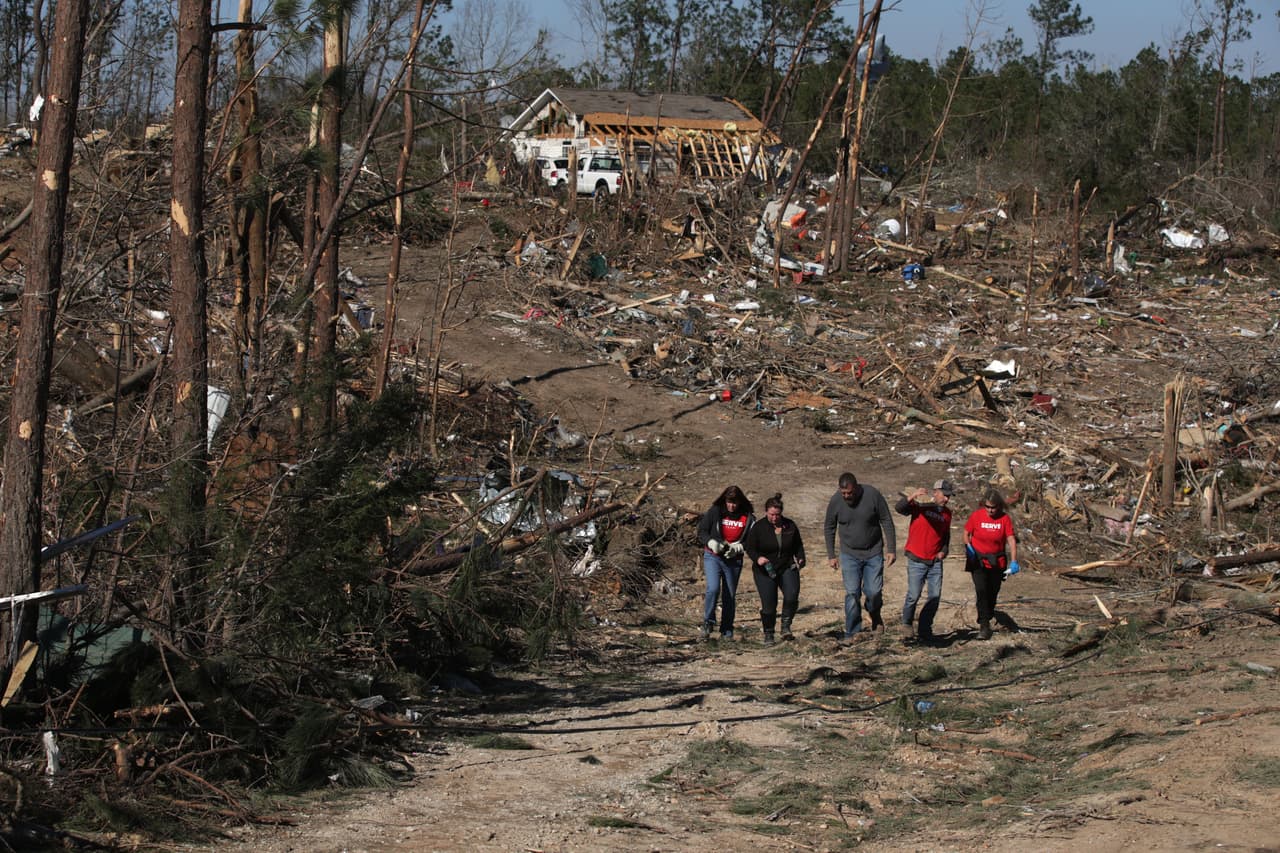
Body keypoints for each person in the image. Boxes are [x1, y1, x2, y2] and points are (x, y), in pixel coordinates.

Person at [824, 472, 897, 642]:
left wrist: (891, 549)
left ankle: (874, 613)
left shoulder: (872, 495)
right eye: (844, 493)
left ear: (856, 487)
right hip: (849, 553)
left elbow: (886, 520)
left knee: (874, 592)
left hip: (873, 552)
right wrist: (831, 555)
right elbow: (829, 527)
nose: (847, 496)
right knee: (852, 593)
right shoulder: (836, 501)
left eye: (849, 493)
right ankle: (852, 632)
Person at [895, 480, 954, 645]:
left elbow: (946, 536)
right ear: (936, 492)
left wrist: (944, 550)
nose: (947, 500)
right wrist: (912, 496)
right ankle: (907, 624)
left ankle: (925, 629)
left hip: (935, 561)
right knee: (913, 595)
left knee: (934, 597)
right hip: (916, 558)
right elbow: (900, 508)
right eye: (945, 495)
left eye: (949, 496)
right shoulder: (921, 505)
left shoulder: (947, 514)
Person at [743, 493, 806, 645]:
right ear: (766, 512)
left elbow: (798, 545)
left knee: (791, 596)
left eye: (777, 514)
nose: (774, 518)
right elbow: (750, 547)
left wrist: (800, 557)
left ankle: (785, 627)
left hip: (786, 566)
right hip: (765, 569)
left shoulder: (790, 525)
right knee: (769, 605)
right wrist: (758, 558)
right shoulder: (759, 527)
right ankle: (769, 633)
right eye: (771, 514)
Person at [696, 485, 754, 640]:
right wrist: (711, 543)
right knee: (713, 588)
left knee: (729, 595)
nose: (732, 506)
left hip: (733, 560)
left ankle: (727, 630)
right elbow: (702, 531)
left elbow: (752, 540)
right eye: (729, 502)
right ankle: (708, 622)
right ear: (725, 500)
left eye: (735, 502)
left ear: (740, 502)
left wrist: (740, 547)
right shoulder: (715, 511)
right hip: (713, 556)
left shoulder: (748, 517)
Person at [963, 489, 1020, 640]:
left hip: (997, 562)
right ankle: (984, 625)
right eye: (987, 507)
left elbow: (1011, 540)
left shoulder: (1004, 519)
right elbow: (966, 532)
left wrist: (1014, 561)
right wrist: (968, 547)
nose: (990, 510)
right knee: (981, 591)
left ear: (999, 506)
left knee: (992, 592)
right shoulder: (977, 516)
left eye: (993, 507)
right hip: (978, 560)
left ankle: (988, 613)